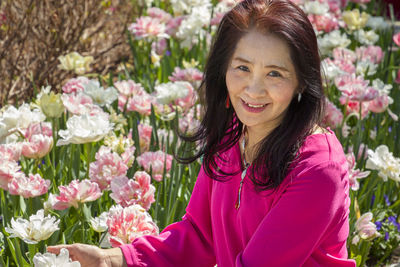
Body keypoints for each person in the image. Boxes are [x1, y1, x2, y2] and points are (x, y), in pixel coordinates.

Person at [47, 0, 357, 266]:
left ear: (302, 81)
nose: (254, 89)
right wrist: (110, 259)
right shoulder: (232, 138)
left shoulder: (318, 168)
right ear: (224, 70)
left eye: (274, 73)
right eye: (243, 68)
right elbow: (199, 235)